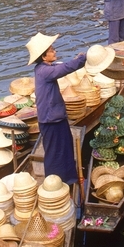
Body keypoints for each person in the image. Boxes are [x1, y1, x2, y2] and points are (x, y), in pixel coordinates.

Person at [28, 33, 87, 185]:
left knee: (65, 149)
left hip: (56, 117)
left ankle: (68, 179)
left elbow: (61, 66)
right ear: (43, 56)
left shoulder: (44, 68)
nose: (55, 52)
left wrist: (77, 59)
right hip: (51, 119)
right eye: (51, 50)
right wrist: (82, 59)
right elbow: (65, 68)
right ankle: (54, 184)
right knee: (55, 153)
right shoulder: (44, 71)